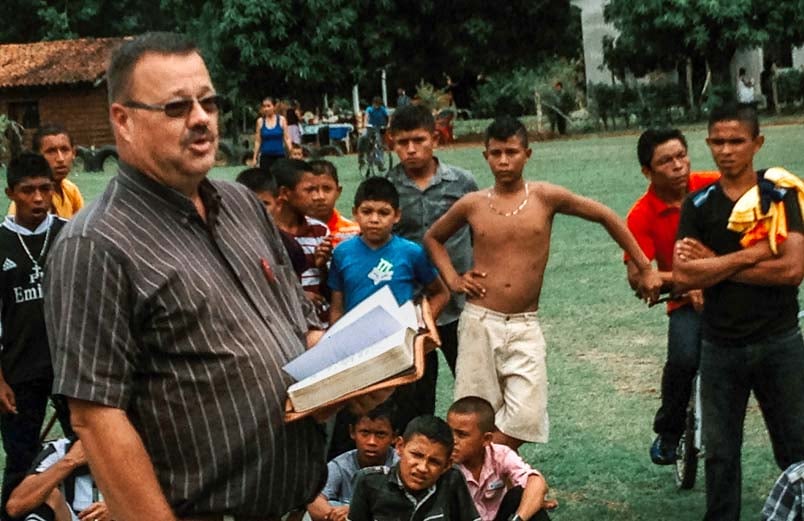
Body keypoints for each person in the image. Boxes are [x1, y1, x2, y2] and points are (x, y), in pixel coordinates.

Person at [43, 32, 390, 521]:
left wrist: (357, 374)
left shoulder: (243, 205)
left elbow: (300, 328)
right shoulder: (95, 245)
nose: (201, 118)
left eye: (208, 102)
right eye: (176, 108)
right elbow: (96, 417)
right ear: (123, 120)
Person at [423, 116, 662, 450]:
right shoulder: (473, 203)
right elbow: (433, 238)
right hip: (480, 322)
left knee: (525, 418)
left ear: (528, 154)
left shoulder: (545, 197)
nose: (504, 161)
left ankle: (488, 470)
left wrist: (645, 266)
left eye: (512, 152)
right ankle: (482, 492)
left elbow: (606, 216)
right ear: (485, 156)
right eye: (496, 153)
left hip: (524, 324)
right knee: (474, 417)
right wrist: (452, 279)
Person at [673, 103, 804, 521]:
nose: (726, 150)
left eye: (736, 141)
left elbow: (792, 270)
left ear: (757, 143)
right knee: (720, 455)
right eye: (717, 141)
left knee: (796, 448)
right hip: (720, 346)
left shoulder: (781, 197)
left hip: (779, 341)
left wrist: (716, 263)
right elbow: (684, 272)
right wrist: (752, 256)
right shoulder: (698, 204)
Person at [624, 128, 720, 465]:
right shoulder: (641, 215)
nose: (679, 165)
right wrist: (686, 282)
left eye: (682, 155)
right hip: (683, 302)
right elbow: (639, 277)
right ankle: (669, 431)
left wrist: (703, 276)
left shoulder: (714, 185)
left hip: (732, 293)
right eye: (666, 161)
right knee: (682, 359)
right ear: (647, 172)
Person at [386, 103, 478, 392]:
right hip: (408, 308)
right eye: (403, 142)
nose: (411, 149)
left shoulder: (462, 183)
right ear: (392, 144)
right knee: (415, 390)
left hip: (460, 305)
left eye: (419, 140)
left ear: (435, 139)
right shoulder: (386, 187)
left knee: (473, 386)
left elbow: (480, 235)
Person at [1, 152, 70, 521]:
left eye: (46, 189)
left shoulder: (69, 234)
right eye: (28, 191)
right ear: (11, 192)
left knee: (85, 445)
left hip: (71, 366)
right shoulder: (1, 242)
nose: (39, 198)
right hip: (19, 371)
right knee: (21, 457)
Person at [328, 176, 449, 325]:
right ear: (355, 213)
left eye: (384, 213)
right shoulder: (342, 253)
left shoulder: (411, 252)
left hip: (398, 340)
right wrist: (336, 340)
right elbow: (337, 307)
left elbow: (441, 293)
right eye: (366, 212)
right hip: (357, 340)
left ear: (397, 215)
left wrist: (422, 327)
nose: (374, 219)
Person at [347, 415, 481, 521]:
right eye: (416, 455)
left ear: (447, 465)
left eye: (434, 462)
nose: (422, 468)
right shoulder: (368, 482)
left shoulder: (452, 480)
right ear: (400, 447)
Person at [447, 397, 555, 521]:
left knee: (519, 495)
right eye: (449, 432)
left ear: (486, 439)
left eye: (462, 435)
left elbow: (536, 482)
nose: (453, 441)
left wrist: (518, 519)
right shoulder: (443, 463)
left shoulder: (500, 455)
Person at [306, 404, 398, 521]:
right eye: (365, 432)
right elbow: (314, 501)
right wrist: (342, 516)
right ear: (352, 432)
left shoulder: (401, 465)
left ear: (394, 437)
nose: (371, 442)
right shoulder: (341, 465)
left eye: (380, 434)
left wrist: (356, 511)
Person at [271, 158, 333, 322]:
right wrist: (299, 296)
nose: (316, 197)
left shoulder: (319, 231)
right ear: (285, 193)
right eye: (309, 190)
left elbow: (331, 290)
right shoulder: (266, 233)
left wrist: (322, 266)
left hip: (320, 323)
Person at [6, 438, 109, 521]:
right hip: (72, 517)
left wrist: (116, 510)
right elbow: (15, 507)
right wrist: (70, 461)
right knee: (45, 493)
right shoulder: (60, 450)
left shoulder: (123, 447)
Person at [235, 167, 307, 278]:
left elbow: (295, 288)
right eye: (248, 202)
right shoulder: (227, 240)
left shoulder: (289, 245)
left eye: (265, 204)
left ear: (278, 204)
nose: (256, 209)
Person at [8, 124, 84, 219]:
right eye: (51, 151)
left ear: (73, 153)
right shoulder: (25, 201)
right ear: (37, 156)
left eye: (65, 150)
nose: (60, 159)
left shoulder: (71, 190)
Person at [307, 160, 360, 247]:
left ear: (338, 191)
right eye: (312, 189)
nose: (321, 196)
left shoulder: (353, 232)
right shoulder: (295, 233)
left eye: (327, 189)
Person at [250, 95, 291, 172]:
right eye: (264, 106)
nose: (266, 109)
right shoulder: (260, 121)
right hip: (265, 157)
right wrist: (254, 158)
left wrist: (292, 153)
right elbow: (258, 141)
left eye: (268, 106)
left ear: (274, 107)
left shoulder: (281, 120)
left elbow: (287, 138)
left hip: (279, 156)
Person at [358, 97, 389, 171]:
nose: (377, 106)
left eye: (379, 104)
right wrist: (365, 123)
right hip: (370, 128)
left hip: (378, 129)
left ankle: (380, 164)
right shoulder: (369, 109)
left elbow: (388, 117)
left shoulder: (382, 109)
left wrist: (388, 124)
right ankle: (361, 158)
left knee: (379, 144)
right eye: (376, 104)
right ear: (373, 104)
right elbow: (366, 117)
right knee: (363, 138)